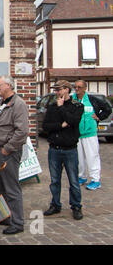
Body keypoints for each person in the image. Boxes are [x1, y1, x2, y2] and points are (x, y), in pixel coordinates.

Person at [0, 75, 29, 235]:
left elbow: (22, 131)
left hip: (7, 153)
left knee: (11, 188)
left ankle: (17, 222)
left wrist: (7, 149)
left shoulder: (18, 104)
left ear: (8, 85)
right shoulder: (2, 103)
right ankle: (4, 217)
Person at [43, 80, 84, 220]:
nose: (57, 92)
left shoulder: (77, 106)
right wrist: (61, 125)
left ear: (67, 89)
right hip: (54, 149)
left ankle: (76, 206)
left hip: (70, 149)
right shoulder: (52, 106)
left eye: (59, 89)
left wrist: (62, 109)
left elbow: (73, 121)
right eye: (55, 90)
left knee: (73, 180)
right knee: (55, 180)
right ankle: (55, 204)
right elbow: (46, 126)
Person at [73, 80, 112, 190]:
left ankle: (95, 179)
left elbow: (108, 109)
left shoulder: (92, 100)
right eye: (75, 87)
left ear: (85, 88)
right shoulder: (73, 100)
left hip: (90, 133)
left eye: (79, 87)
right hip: (77, 134)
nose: (77, 89)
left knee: (92, 156)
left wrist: (99, 117)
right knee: (79, 158)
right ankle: (82, 176)